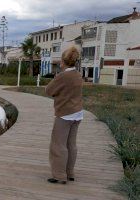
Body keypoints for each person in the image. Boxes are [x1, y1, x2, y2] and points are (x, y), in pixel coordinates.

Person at [45, 46, 83, 184]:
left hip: (65, 114)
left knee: (58, 145)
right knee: (71, 144)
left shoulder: (62, 76)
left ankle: (59, 175)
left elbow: (48, 90)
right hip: (78, 113)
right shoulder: (78, 75)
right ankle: (70, 173)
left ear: (63, 61)